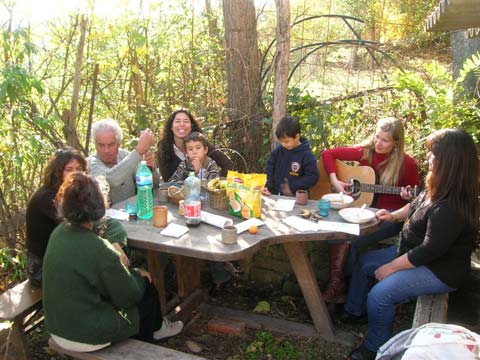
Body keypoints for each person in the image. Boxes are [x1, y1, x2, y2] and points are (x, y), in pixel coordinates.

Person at [344, 129, 479, 360]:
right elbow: (416, 204)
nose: (428, 158)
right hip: (413, 253)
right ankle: (356, 312)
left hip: (439, 270)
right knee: (365, 263)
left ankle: (375, 348)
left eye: (433, 154)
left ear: (450, 160)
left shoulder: (453, 205)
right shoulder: (440, 183)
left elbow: (429, 250)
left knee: (380, 295)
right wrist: (394, 216)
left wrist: (392, 267)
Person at [43, 172, 183, 351]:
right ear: (100, 206)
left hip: (57, 328)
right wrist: (138, 276)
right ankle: (151, 340)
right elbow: (128, 296)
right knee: (146, 292)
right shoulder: (99, 249)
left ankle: (156, 329)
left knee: (134, 286)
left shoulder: (59, 233)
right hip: (85, 335)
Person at [321, 117, 420, 303]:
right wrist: (335, 181)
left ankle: (341, 288)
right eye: (376, 137)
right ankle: (338, 286)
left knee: (351, 240)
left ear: (396, 143)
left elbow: (416, 201)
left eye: (384, 140)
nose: (378, 143)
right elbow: (328, 154)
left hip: (390, 216)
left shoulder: (408, 164)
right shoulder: (367, 152)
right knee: (337, 234)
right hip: (363, 209)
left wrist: (408, 196)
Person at [25, 147, 128, 287]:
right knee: (105, 274)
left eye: (79, 169)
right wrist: (111, 248)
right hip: (42, 268)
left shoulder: (74, 194)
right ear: (56, 173)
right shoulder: (47, 198)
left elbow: (101, 221)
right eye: (69, 169)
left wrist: (115, 242)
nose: (75, 174)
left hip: (69, 256)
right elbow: (82, 230)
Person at [87, 118, 160, 205]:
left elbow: (153, 184)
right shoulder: (90, 163)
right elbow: (111, 179)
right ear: (95, 144)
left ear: (119, 143)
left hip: (133, 213)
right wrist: (139, 150)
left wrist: (151, 168)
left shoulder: (125, 156)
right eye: (101, 145)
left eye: (111, 145)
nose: (106, 150)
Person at [156, 109, 233, 182]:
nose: (182, 124)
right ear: (171, 127)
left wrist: (221, 186)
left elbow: (227, 164)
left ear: (191, 126)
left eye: (186, 121)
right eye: (177, 121)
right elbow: (169, 181)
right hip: (181, 193)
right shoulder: (164, 150)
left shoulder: (201, 144)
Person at [262, 115, 319, 196]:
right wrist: (267, 186)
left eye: (287, 141)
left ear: (297, 136)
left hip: (297, 198)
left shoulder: (306, 155)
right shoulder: (277, 152)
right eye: (281, 142)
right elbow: (269, 169)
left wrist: (293, 186)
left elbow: (313, 177)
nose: (284, 144)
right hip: (274, 196)